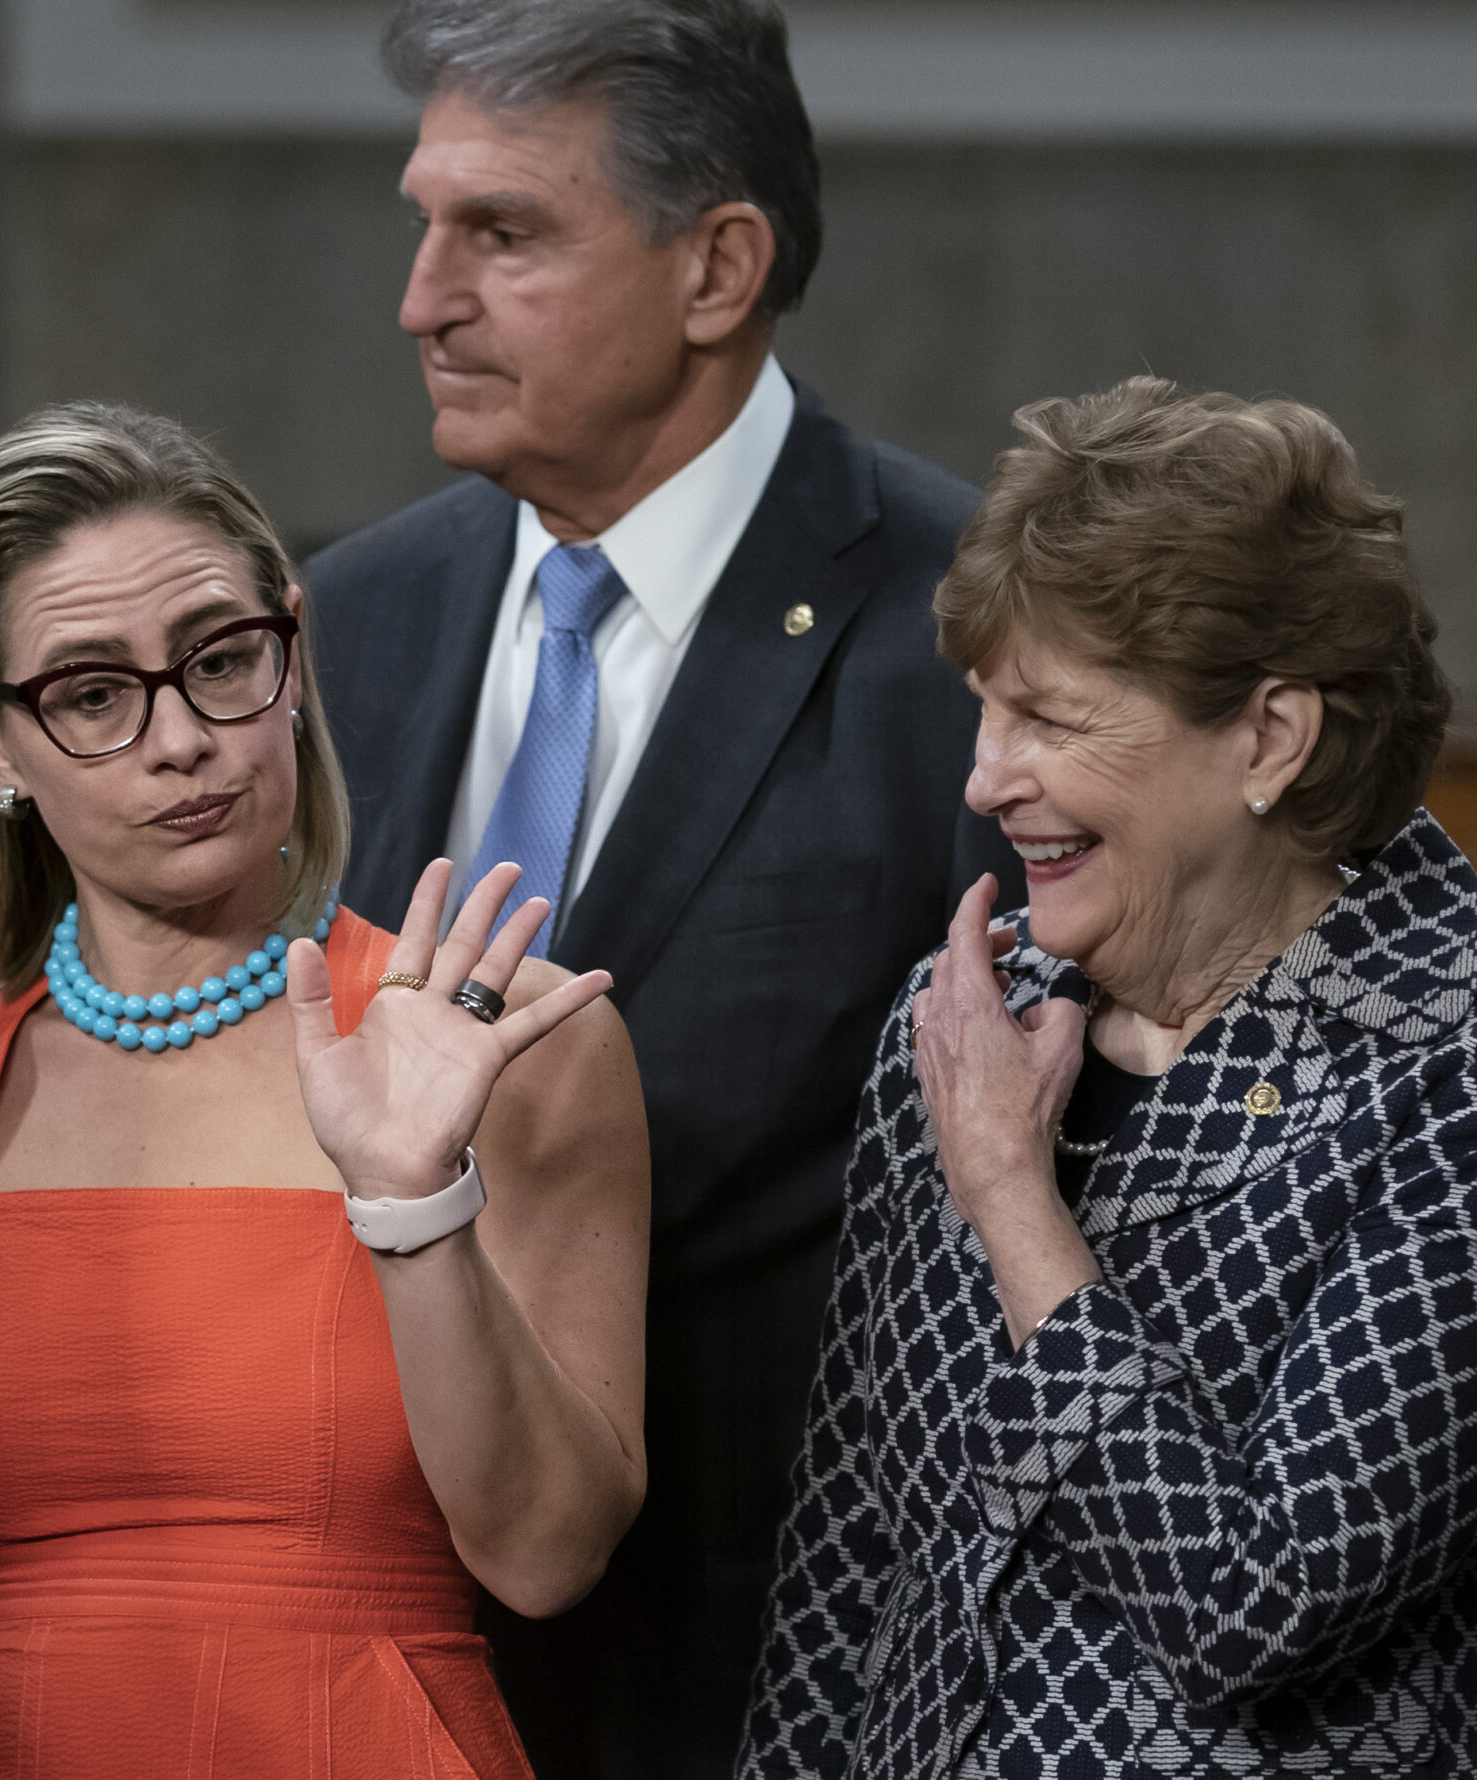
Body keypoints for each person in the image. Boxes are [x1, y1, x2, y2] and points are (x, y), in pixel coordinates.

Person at [301, 2, 1022, 1770]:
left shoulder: (969, 634)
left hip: (789, 1671)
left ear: (718, 269)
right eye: (423, 221)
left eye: (506, 233)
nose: (424, 298)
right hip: (379, 1649)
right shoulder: (353, 611)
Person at [0, 402, 648, 1777]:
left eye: (221, 662)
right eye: (94, 694)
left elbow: (544, 1555)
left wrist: (415, 1199)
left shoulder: (504, 1040)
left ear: (290, 657)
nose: (180, 741)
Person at [741, 378, 1477, 1775]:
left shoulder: (1449, 1060)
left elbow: (1255, 1602)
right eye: (981, 713)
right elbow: (850, 1568)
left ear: (1269, 737)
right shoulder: (966, 1014)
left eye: (1052, 720)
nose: (984, 780)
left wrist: (1015, 1202)